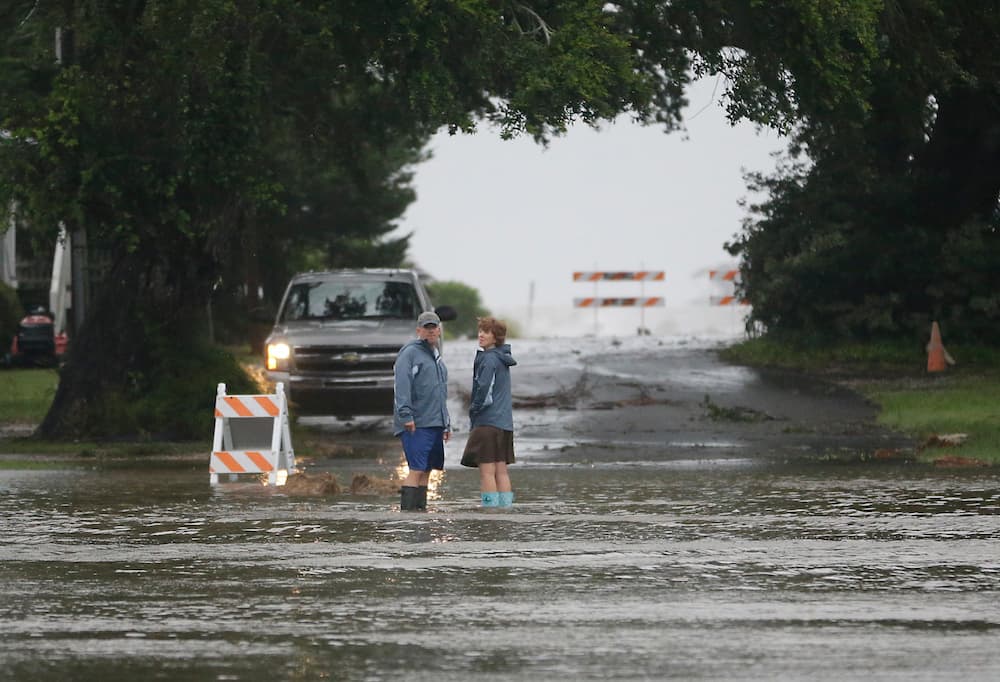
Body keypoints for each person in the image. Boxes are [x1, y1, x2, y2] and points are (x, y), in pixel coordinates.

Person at [393, 310, 451, 511]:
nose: (430, 331)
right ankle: (407, 517)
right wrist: (406, 415)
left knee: (427, 470)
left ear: (439, 330)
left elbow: (441, 391)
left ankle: (420, 514)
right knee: (416, 469)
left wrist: (446, 422)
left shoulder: (436, 354)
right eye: (426, 328)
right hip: (416, 423)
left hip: (435, 422)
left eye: (433, 327)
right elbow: (402, 386)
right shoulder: (409, 353)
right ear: (419, 330)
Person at [461, 317, 517, 507]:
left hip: (487, 423)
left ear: (497, 337)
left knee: (486, 472)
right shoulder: (502, 358)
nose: (481, 335)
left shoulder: (488, 359)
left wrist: (473, 411)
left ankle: (489, 511)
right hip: (504, 424)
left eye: (486, 331)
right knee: (501, 470)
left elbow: (484, 391)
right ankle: (505, 509)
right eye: (480, 331)